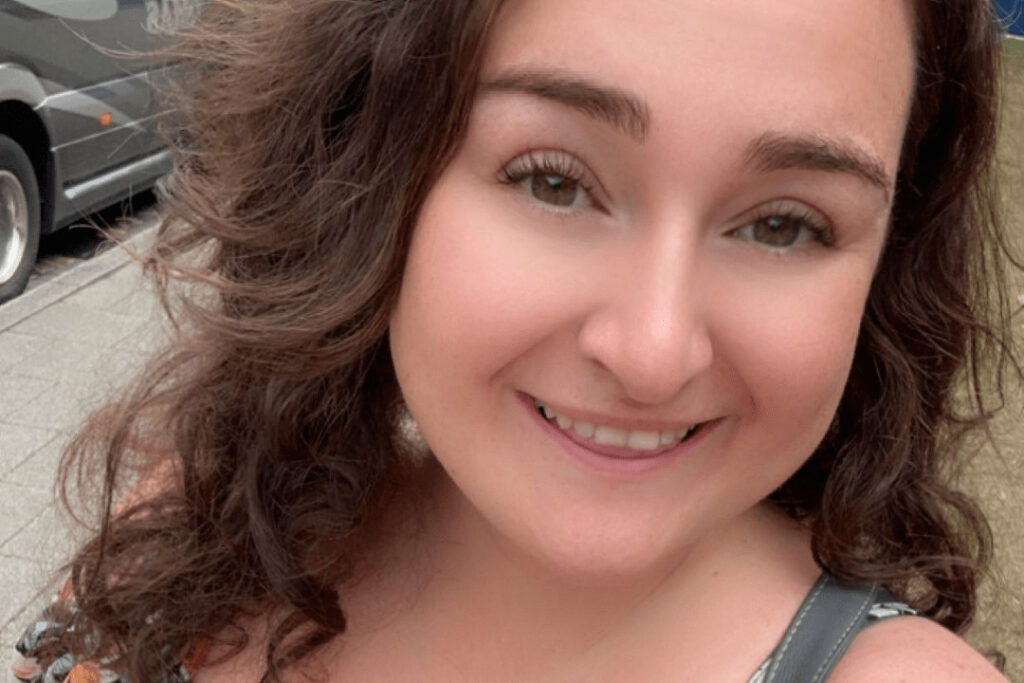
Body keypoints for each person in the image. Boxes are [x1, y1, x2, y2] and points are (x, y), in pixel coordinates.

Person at [11, 0, 1021, 681]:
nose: (652, 350)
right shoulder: (189, 530)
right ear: (372, 179)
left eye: (783, 223)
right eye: (553, 179)